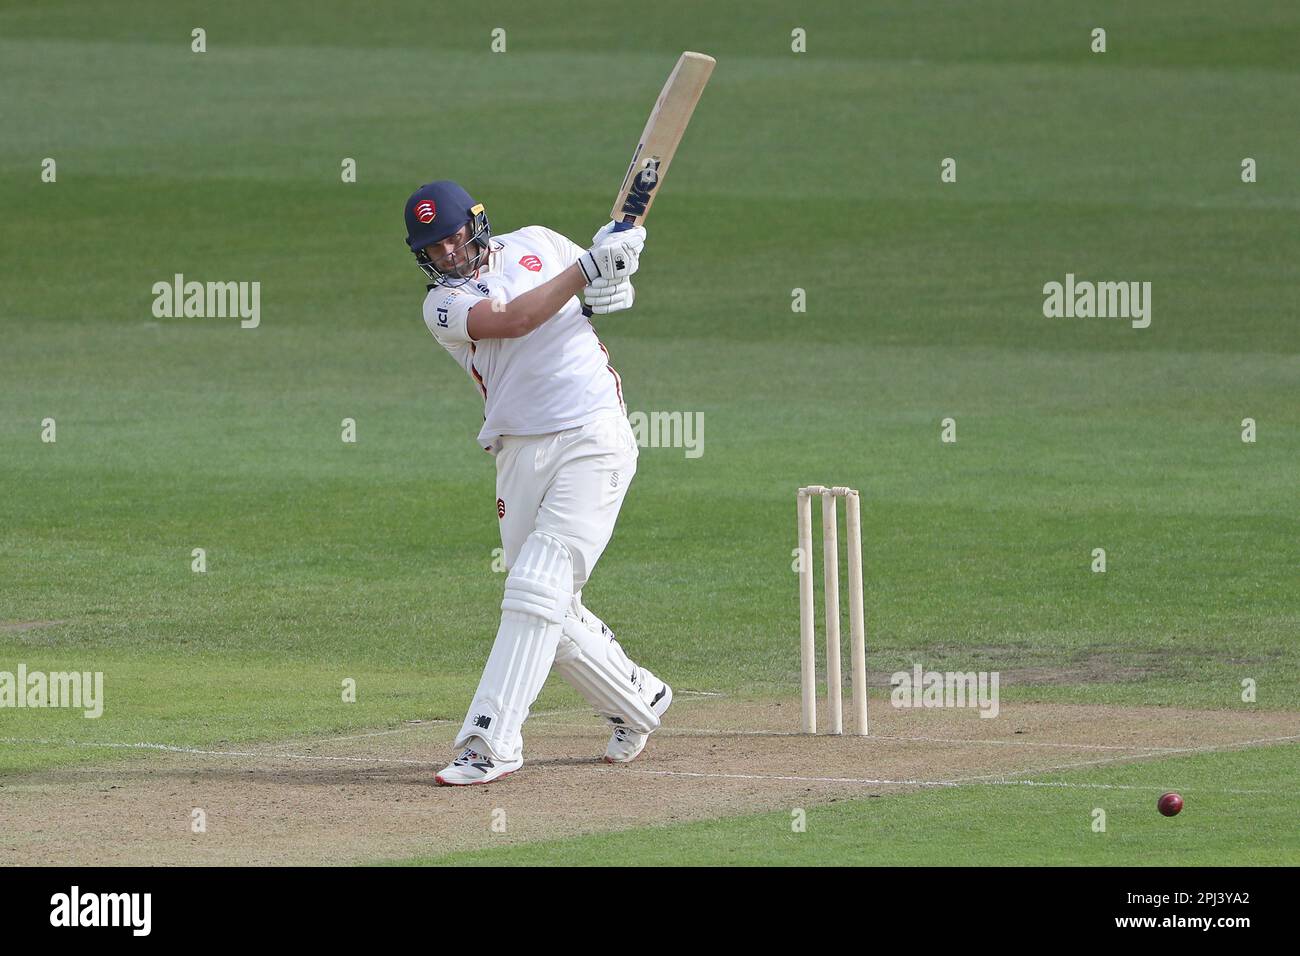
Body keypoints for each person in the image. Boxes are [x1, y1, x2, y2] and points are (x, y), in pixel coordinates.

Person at [404, 181, 672, 786]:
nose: (447, 253)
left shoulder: (541, 243)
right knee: (550, 607)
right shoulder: (441, 306)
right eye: (434, 248)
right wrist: (587, 267)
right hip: (518, 451)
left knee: (534, 588)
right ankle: (639, 699)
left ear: (477, 224)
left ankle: (489, 740)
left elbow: (600, 293)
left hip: (593, 433)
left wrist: (616, 264)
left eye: (452, 238)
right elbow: (515, 318)